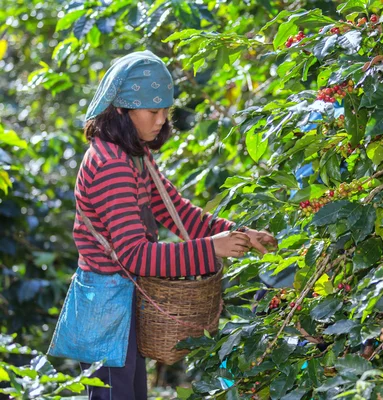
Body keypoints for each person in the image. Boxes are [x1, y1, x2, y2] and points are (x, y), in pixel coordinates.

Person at [47, 50, 277, 399]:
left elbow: (177, 211)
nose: (161, 120)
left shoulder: (134, 153)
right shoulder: (111, 164)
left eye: (165, 111)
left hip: (127, 299)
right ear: (122, 111)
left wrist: (241, 233)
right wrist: (212, 247)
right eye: (153, 111)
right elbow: (134, 255)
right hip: (108, 305)